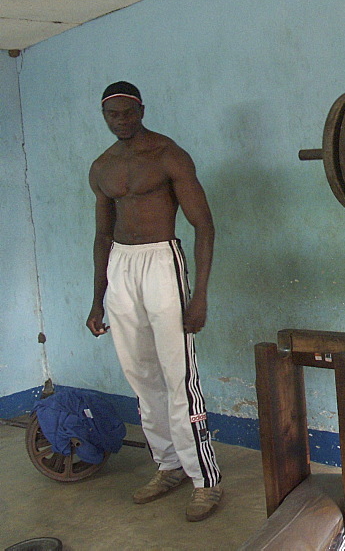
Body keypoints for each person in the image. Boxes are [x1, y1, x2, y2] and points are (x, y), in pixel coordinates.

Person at [85, 81, 223, 522]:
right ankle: (167, 466)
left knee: (178, 374)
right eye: (113, 115)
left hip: (162, 260)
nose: (122, 121)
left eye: (128, 113)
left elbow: (204, 225)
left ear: (141, 109)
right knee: (141, 374)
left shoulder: (168, 155)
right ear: (104, 117)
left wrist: (199, 294)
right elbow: (102, 235)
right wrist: (97, 299)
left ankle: (204, 481)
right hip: (120, 267)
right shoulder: (102, 167)